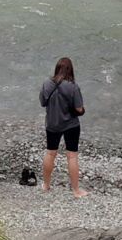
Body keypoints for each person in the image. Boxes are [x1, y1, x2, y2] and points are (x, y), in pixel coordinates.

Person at [39, 55, 87, 196]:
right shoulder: (73, 87)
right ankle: (76, 190)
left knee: (50, 152)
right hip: (70, 125)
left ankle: (46, 185)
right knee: (72, 156)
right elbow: (79, 109)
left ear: (57, 69)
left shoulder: (47, 83)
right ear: (70, 70)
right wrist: (82, 110)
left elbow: (43, 103)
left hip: (52, 123)